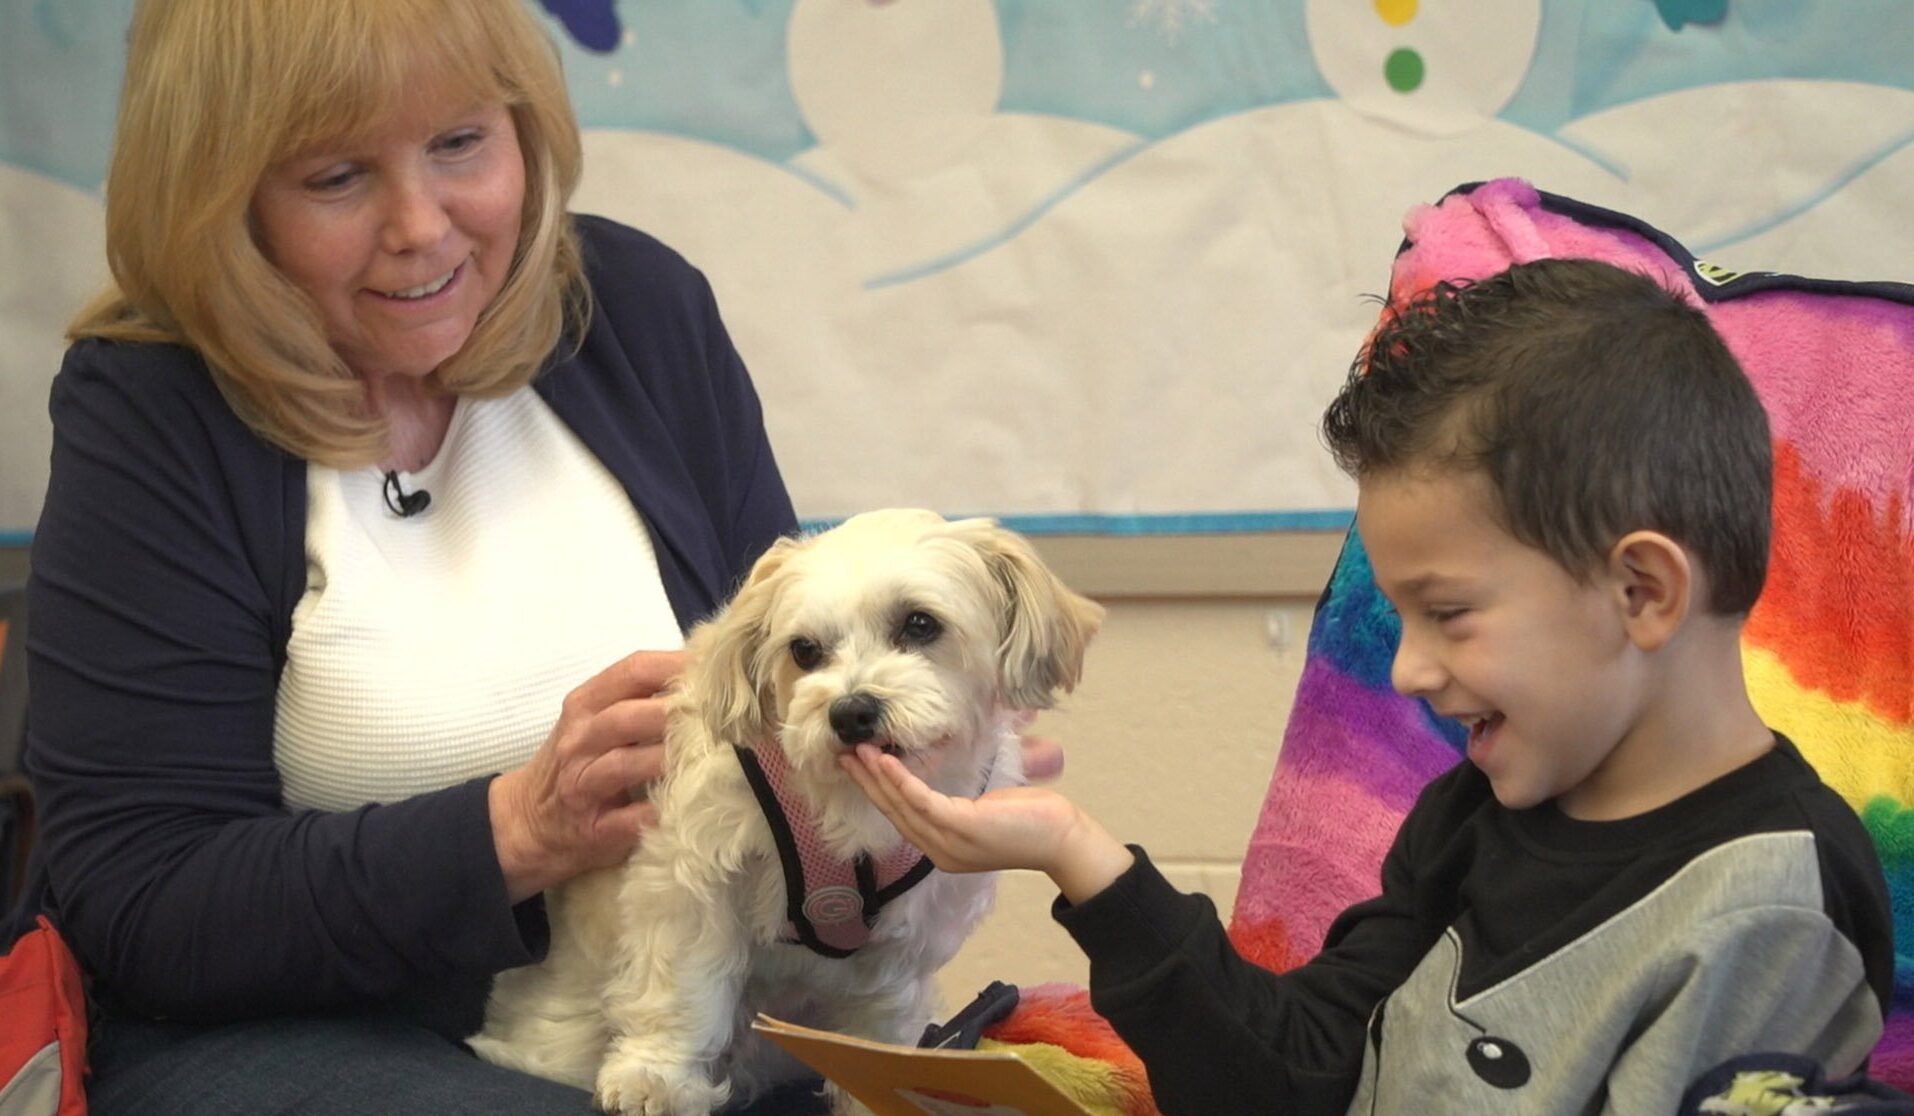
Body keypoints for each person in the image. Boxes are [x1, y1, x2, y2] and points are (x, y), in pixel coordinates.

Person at [1, 0, 1058, 1111]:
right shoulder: (157, 408)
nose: (422, 224)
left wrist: (919, 779)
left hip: (685, 1003)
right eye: (335, 178)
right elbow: (146, 900)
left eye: (461, 144)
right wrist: (516, 830)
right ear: (222, 199)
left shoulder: (638, 314)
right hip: (304, 1032)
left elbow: (790, 683)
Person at [846, 257, 1895, 1116]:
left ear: (1642, 590)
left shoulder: (1774, 907)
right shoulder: (1475, 809)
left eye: (1449, 613)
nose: (1406, 670)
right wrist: (1077, 855)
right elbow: (1293, 1077)